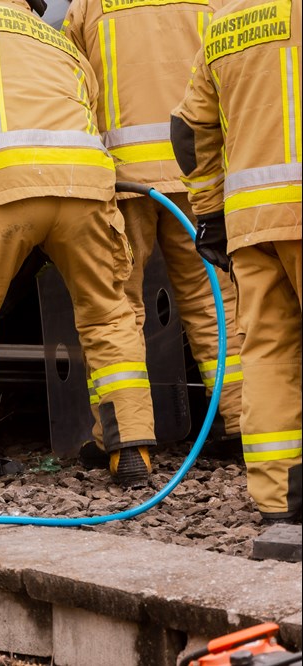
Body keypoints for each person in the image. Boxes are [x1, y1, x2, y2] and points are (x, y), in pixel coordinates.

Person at [0, 0, 158, 491]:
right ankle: (130, 449)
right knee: (109, 315)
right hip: (88, 188)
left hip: (3, 189)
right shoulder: (60, 40)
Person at [62, 0, 245, 462]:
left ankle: (127, 442)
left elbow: (68, 84)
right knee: (213, 299)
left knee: (117, 307)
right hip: (196, 168)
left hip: (123, 178)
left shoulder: (88, 5)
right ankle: (242, 424)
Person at [171, 0, 301, 523]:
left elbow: (188, 130)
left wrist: (210, 214)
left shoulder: (226, 20)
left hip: (251, 220)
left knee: (268, 351)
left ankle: (279, 502)